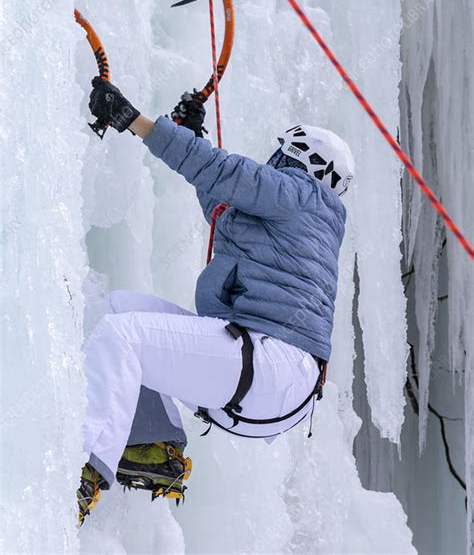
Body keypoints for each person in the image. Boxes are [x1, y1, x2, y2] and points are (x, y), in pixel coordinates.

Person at [77, 77, 354, 523]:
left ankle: (83, 471)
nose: (274, 160)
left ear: (302, 159)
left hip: (268, 364)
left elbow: (225, 173)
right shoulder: (301, 216)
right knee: (119, 309)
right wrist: (192, 136)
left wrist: (136, 122)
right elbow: (224, 199)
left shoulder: (302, 195)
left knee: (122, 336)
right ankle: (150, 447)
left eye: (282, 154)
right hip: (269, 385)